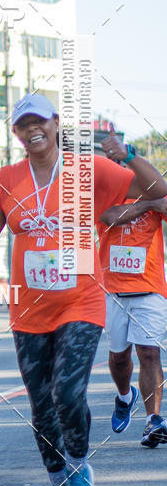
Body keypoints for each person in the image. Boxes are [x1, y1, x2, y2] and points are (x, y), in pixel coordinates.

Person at [0, 95, 167, 486]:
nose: (31, 130)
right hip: (28, 308)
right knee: (40, 404)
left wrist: (129, 155)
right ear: (16, 132)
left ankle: (78, 466)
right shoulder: (6, 178)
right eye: (22, 125)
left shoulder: (86, 169)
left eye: (39, 121)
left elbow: (158, 191)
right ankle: (56, 481)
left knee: (67, 392)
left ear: (55, 124)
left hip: (82, 299)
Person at [97, 189, 167, 447]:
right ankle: (125, 397)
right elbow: (109, 217)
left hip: (150, 289)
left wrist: (160, 200)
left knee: (149, 353)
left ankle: (154, 420)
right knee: (118, 357)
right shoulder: (103, 195)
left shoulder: (158, 195)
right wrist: (151, 204)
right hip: (112, 290)